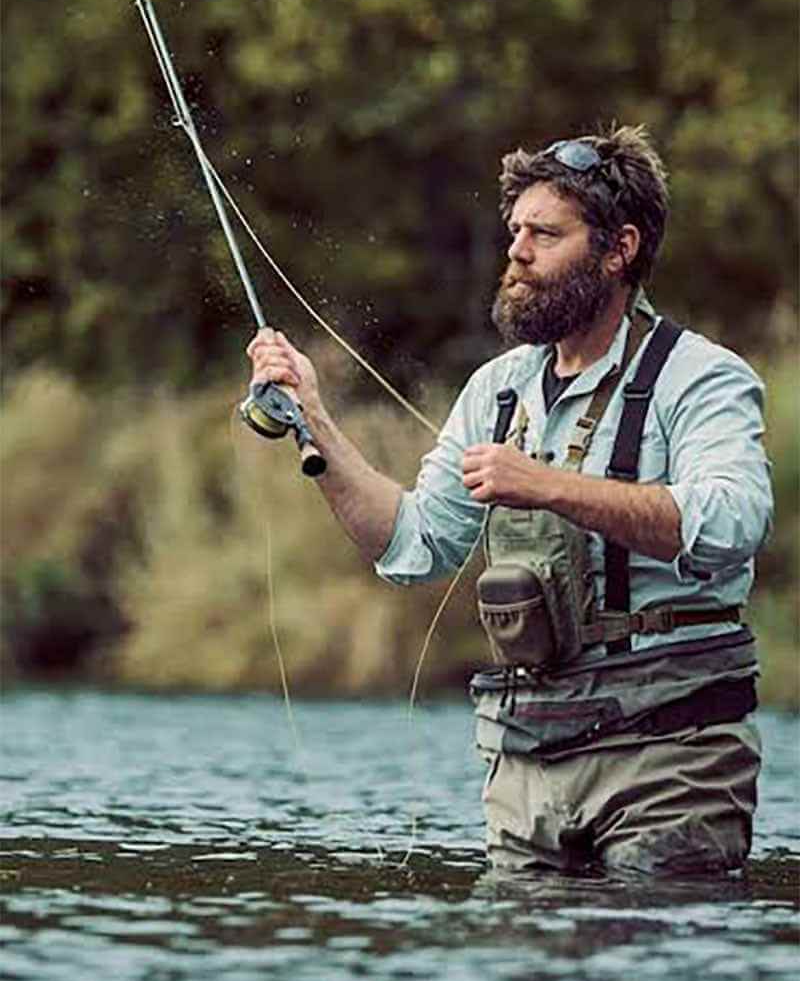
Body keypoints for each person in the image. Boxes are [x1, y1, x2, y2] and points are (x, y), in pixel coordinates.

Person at [246, 125, 773, 876]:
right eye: (515, 231)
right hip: (527, 760)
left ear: (619, 250)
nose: (517, 252)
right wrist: (314, 421)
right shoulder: (496, 389)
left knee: (649, 931)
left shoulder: (702, 377)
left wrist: (547, 484)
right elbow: (414, 546)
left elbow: (733, 523)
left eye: (545, 234)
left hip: (670, 752)